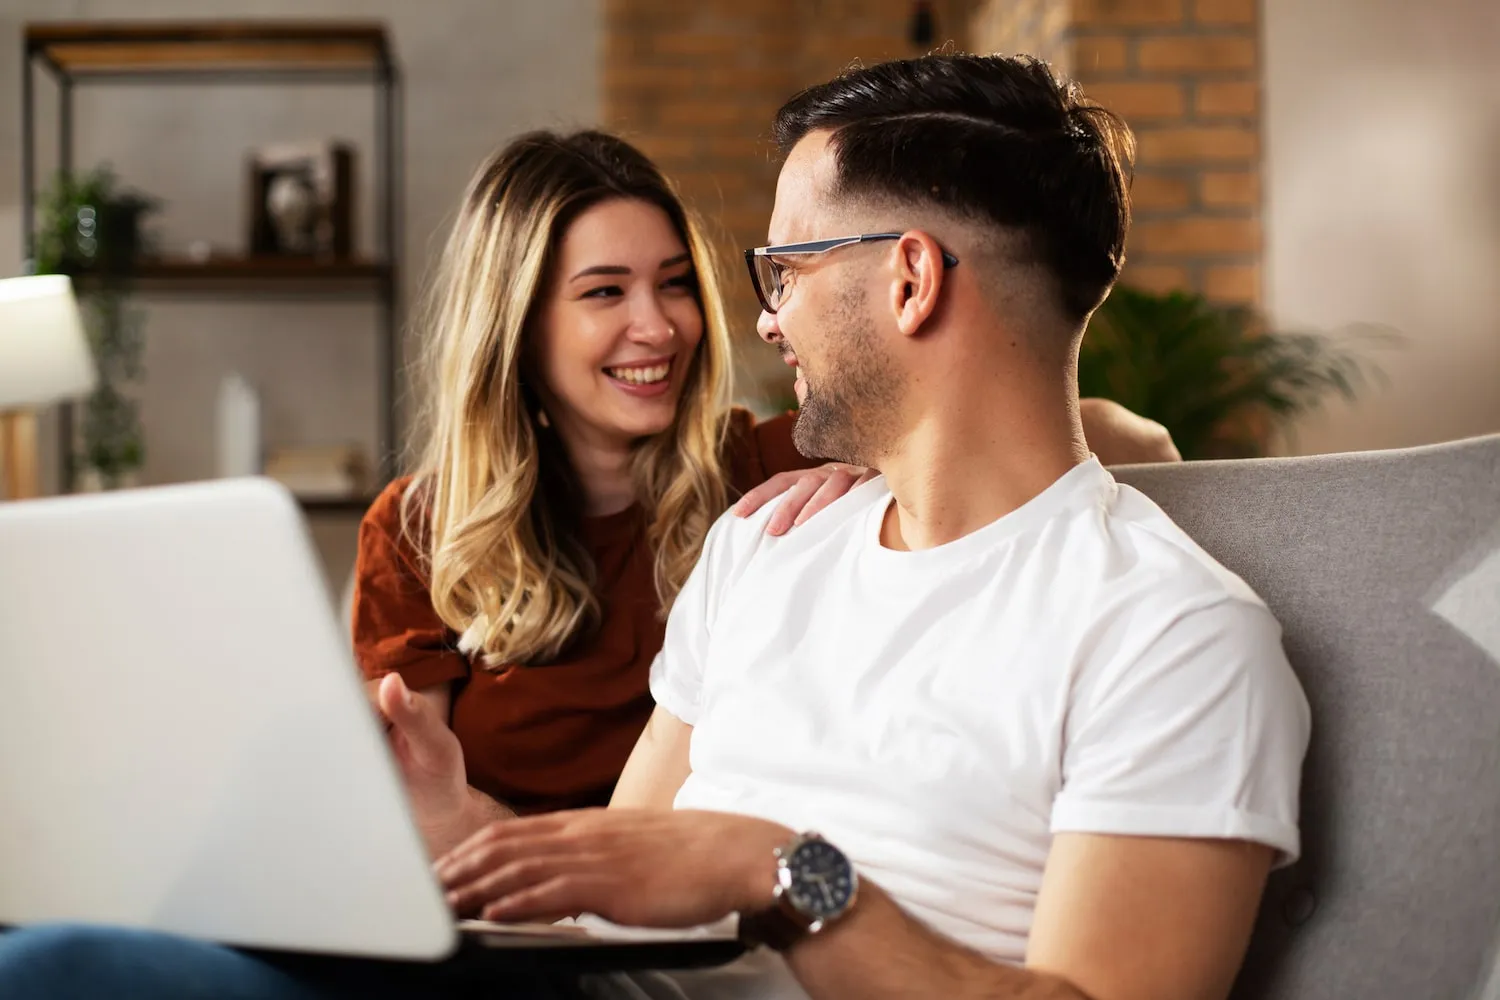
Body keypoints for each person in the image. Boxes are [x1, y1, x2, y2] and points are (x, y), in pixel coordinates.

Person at [0, 62, 1211, 999]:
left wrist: (909, 463)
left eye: (691, 279)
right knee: (59, 941)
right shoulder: (462, 532)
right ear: (518, 327)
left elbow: (1083, 433)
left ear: (904, 281)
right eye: (603, 293)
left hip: (618, 936)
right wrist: (471, 840)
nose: (676, 323)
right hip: (540, 931)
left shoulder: (769, 482)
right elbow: (613, 855)